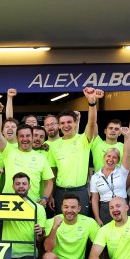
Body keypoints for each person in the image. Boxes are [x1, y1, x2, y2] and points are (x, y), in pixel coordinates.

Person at [46, 88, 101, 216]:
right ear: (59, 126)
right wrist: (51, 194)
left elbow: (91, 123)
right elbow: (53, 174)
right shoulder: (54, 146)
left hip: (80, 191)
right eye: (62, 123)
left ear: (76, 123)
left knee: (82, 224)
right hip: (60, 192)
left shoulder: (84, 139)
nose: (66, 125)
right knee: (62, 224)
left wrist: (92, 102)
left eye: (69, 122)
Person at [0, 106, 54, 205]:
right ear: (17, 138)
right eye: (21, 136)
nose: (25, 139)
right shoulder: (8, 151)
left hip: (32, 203)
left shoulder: (41, 157)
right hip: (8, 203)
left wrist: (45, 197)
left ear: (32, 137)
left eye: (28, 136)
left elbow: (49, 181)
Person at [90, 111, 130, 225]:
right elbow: (92, 123)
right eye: (110, 128)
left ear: (120, 132)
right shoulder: (96, 143)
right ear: (105, 131)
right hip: (100, 192)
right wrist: (92, 103)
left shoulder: (124, 147)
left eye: (116, 129)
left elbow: (129, 165)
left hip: (119, 194)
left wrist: (121, 187)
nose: (113, 130)